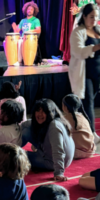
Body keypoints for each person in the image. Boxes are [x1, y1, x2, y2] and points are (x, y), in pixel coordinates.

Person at [21, 99, 75, 181]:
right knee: (26, 130)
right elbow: (27, 123)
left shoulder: (54, 126)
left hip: (52, 162)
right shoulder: (56, 120)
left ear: (51, 112)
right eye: (38, 111)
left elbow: (58, 150)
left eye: (44, 111)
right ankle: (8, 151)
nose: (40, 114)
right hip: (52, 155)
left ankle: (7, 156)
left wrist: (59, 173)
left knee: (20, 156)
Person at [69, 3, 100, 144]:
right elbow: (77, 52)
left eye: (96, 17)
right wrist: (95, 47)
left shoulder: (98, 31)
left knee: (88, 103)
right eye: (91, 17)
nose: (94, 20)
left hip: (97, 74)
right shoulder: (78, 32)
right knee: (88, 102)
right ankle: (91, 133)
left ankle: (82, 130)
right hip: (84, 74)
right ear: (85, 16)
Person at [62, 94, 96, 159]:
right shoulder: (84, 117)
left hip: (74, 153)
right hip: (90, 151)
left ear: (65, 107)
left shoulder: (63, 119)